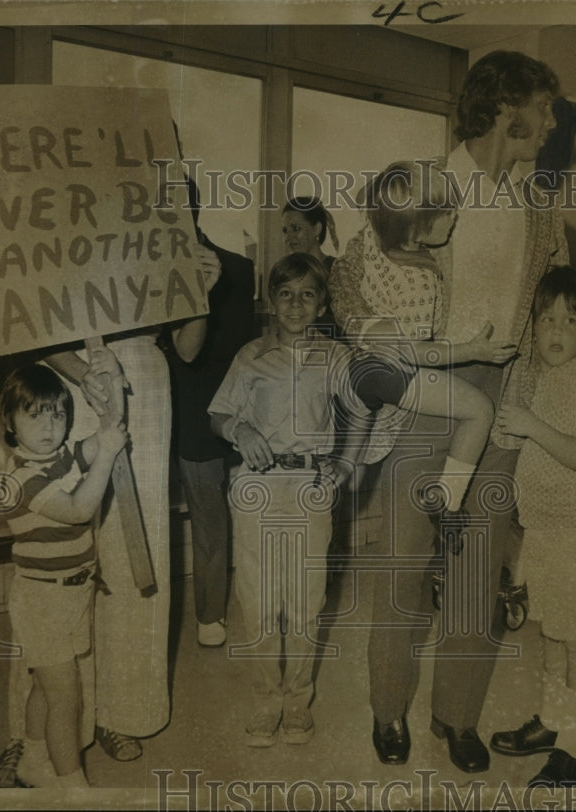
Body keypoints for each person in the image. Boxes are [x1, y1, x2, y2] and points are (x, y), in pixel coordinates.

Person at [330, 50, 567, 772]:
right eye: (545, 108)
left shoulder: (535, 202)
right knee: (403, 565)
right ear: (506, 110)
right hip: (424, 395)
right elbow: (347, 275)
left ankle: (457, 716)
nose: (553, 122)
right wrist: (370, 331)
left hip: (500, 403)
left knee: (477, 572)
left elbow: (550, 307)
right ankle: (389, 711)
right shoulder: (427, 183)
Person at [0, 244, 220, 783]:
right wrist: (84, 369)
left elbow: (188, 349)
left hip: (143, 374)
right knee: (51, 551)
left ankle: (123, 711)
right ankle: (32, 737)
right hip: (62, 377)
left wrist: (199, 295)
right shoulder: (59, 190)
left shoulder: (163, 223)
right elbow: (27, 309)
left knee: (132, 554)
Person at [209, 253, 362, 747]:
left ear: (321, 306)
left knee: (304, 602)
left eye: (308, 295)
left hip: (310, 489)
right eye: (286, 294)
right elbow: (219, 414)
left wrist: (345, 464)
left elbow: (365, 412)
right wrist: (239, 426)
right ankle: (264, 701)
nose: (296, 304)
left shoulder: (337, 358)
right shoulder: (250, 356)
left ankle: (297, 702)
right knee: (257, 601)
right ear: (271, 301)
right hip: (256, 487)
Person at [489, 266, 576, 787]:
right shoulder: (549, 380)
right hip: (548, 531)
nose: (557, 331)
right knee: (553, 634)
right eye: (547, 320)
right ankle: (550, 721)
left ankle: (575, 749)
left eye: (570, 320)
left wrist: (531, 427)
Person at [345, 160, 518, 526]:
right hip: (389, 370)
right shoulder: (418, 283)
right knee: (480, 409)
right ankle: (447, 501)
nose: (455, 216)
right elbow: (416, 352)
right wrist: (474, 350)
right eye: (445, 211)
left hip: (362, 365)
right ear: (419, 226)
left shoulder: (375, 239)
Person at [0, 362, 128, 788]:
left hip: (73, 592)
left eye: (57, 414)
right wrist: (108, 454)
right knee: (66, 698)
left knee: (46, 684)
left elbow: (85, 449)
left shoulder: (57, 457)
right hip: (41, 600)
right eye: (35, 415)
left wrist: (108, 429)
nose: (49, 426)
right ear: (10, 422)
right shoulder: (22, 478)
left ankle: (33, 762)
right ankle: (75, 788)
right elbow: (79, 510)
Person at [161, 228, 256, 647]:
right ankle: (214, 614)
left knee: (211, 525)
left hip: (209, 413)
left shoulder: (235, 268)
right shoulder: (236, 266)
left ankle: (213, 615)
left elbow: (193, 351)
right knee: (218, 523)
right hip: (218, 410)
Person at [282, 196, 339, 274]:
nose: (288, 237)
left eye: (296, 228)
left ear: (316, 229)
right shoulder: (287, 272)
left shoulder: (336, 270)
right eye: (285, 231)